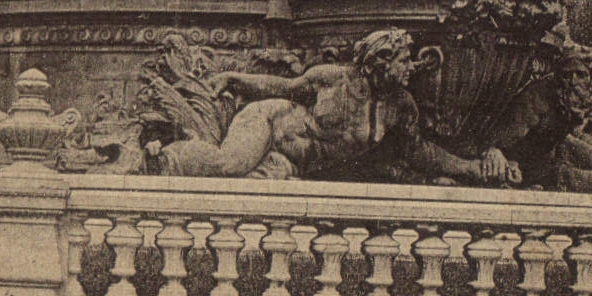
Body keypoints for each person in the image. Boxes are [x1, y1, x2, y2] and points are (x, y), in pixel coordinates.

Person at [147, 28, 520, 186]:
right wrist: (234, 78)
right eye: (403, 61)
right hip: (269, 125)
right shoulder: (334, 78)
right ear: (380, 60)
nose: (410, 69)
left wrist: (471, 168)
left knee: (253, 192)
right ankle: (160, 159)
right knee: (230, 166)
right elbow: (285, 87)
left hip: (293, 163)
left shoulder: (400, 107)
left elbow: (420, 152)